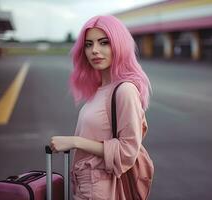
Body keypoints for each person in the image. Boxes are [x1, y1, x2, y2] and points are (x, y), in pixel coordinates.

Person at [49, 15, 152, 200]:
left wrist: (75, 142)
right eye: (89, 45)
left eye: (103, 43)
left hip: (103, 190)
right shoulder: (99, 90)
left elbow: (128, 151)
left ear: (119, 45)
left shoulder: (125, 90)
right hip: (87, 186)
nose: (94, 50)